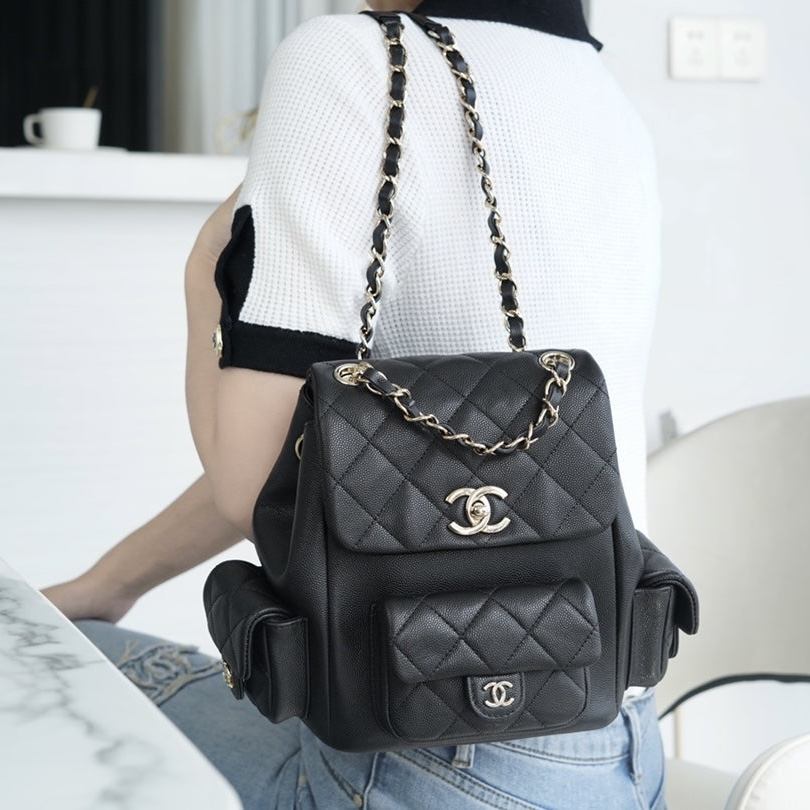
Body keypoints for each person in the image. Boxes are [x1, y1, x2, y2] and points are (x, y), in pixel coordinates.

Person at [48, 1, 666, 807]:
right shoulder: (601, 90)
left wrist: (204, 280)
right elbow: (337, 471)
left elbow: (252, 485)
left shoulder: (352, 60)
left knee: (32, 680)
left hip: (426, 755)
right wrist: (109, 583)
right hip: (614, 740)